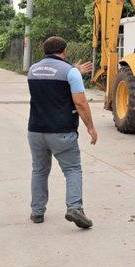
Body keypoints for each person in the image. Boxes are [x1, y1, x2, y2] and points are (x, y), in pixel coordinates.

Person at [27, 36, 99, 229]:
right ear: (64, 51)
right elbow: (80, 103)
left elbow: (52, 82)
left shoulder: (33, 70)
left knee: (39, 170)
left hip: (35, 130)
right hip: (61, 131)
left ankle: (37, 212)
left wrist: (74, 70)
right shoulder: (70, 72)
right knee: (72, 169)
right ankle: (75, 208)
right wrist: (90, 127)